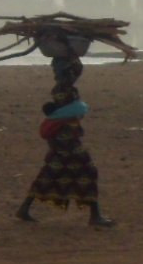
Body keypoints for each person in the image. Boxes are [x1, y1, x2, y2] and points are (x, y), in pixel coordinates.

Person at [16, 87, 115, 227]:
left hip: (60, 147)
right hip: (70, 147)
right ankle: (95, 215)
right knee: (88, 173)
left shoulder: (59, 105)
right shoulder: (66, 101)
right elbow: (76, 112)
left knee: (47, 177)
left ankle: (24, 208)